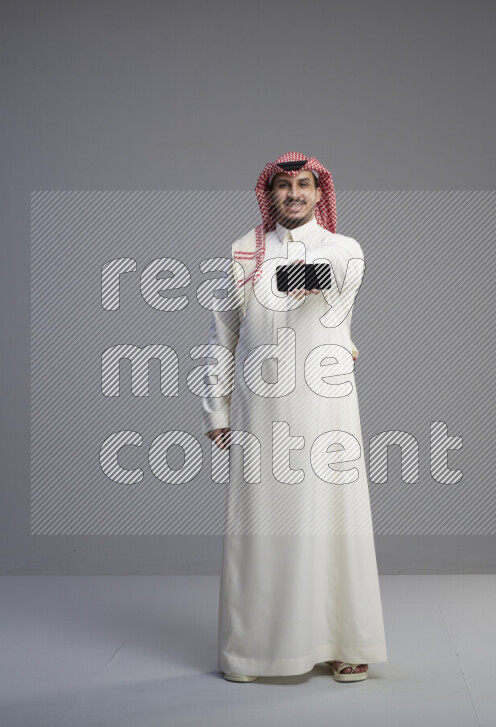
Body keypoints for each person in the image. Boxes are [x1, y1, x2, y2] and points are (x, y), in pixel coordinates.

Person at [201, 152, 387, 683]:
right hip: (262, 406)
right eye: (283, 186)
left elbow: (319, 279)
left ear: (318, 192)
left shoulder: (344, 249)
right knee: (262, 525)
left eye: (304, 186)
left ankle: (345, 643)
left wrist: (273, 271)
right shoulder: (241, 251)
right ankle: (255, 650)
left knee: (334, 520)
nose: (294, 195)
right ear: (270, 194)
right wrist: (217, 407)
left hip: (327, 405)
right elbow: (222, 336)